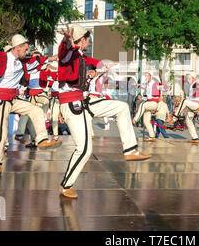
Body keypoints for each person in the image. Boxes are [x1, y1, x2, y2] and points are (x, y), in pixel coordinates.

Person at [57, 24, 150, 199]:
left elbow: (93, 62)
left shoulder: (81, 56)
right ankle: (65, 185)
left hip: (84, 100)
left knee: (122, 107)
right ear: (82, 39)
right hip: (72, 102)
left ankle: (130, 150)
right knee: (84, 149)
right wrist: (67, 41)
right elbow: (64, 53)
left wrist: (100, 67)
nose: (89, 42)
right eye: (88, 39)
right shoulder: (69, 53)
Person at [0, 31, 61, 174]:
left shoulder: (23, 63)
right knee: (1, 134)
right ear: (17, 47)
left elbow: (39, 61)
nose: (27, 53)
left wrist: (56, 57)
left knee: (36, 110)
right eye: (25, 49)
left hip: (13, 98)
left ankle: (42, 139)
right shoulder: (1, 57)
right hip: (0, 99)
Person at [132, 73, 170, 141]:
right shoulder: (147, 85)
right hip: (149, 103)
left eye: (147, 76)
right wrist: (137, 85)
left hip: (154, 103)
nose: (146, 78)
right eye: (145, 76)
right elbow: (142, 86)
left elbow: (164, 87)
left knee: (143, 105)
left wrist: (168, 87)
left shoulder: (155, 84)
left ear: (151, 77)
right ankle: (152, 136)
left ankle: (135, 119)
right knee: (146, 121)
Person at [173, 73, 199, 144]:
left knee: (184, 100)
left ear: (193, 78)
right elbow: (186, 81)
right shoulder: (190, 85)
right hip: (192, 105)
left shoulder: (196, 84)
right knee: (188, 120)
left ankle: (175, 116)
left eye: (189, 79)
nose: (188, 80)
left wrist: (197, 81)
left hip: (197, 104)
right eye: (187, 79)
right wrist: (180, 79)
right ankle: (195, 138)